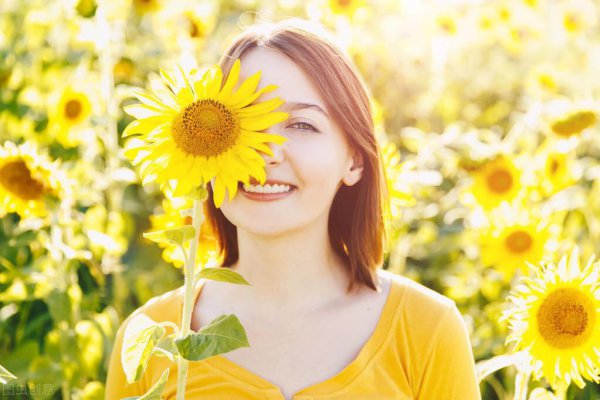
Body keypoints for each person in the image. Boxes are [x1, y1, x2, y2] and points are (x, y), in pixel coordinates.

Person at [106, 18, 481, 400]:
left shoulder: (426, 329)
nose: (264, 152)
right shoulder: (150, 338)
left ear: (355, 160)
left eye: (301, 125)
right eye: (241, 122)